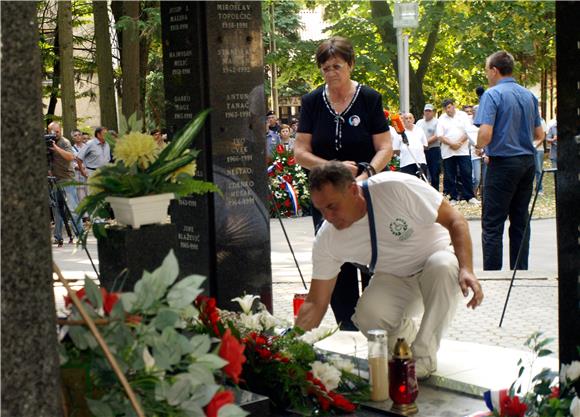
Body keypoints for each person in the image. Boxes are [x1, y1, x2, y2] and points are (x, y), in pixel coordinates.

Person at [295, 161, 483, 379]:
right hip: (395, 278)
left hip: (437, 263)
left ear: (353, 190)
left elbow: (455, 220)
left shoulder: (395, 186)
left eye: (332, 206)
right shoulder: (327, 238)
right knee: (367, 315)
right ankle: (409, 340)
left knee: (442, 266)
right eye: (320, 209)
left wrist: (467, 269)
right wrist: (291, 347)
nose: (327, 217)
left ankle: (423, 359)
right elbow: (315, 302)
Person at [294, 36, 392, 330]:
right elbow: (299, 151)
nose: (332, 72)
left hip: (364, 192)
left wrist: (365, 176)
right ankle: (347, 329)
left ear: (350, 65)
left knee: (372, 260)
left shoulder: (369, 99)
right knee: (336, 259)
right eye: (326, 68)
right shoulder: (312, 102)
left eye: (337, 66)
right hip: (327, 195)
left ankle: (377, 326)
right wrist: (331, 167)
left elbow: (385, 147)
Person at [474, 51, 544, 271]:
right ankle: (519, 271)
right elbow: (539, 134)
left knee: (493, 223)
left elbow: (485, 133)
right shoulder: (528, 95)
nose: (487, 75)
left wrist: (478, 147)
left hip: (503, 162)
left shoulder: (492, 95)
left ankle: (494, 275)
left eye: (487, 71)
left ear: (494, 70)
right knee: (520, 220)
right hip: (526, 161)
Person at [436, 99, 478, 205]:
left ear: (454, 106)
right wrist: (451, 144)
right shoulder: (442, 118)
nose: (448, 110)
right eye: (445, 108)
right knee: (450, 175)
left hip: (463, 150)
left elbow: (468, 131)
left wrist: (458, 143)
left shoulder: (463, 115)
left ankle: (469, 196)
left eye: (449, 107)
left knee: (466, 172)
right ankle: (453, 197)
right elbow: (440, 135)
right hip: (448, 151)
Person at [47, 122, 83, 246]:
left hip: (67, 180)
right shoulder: (47, 142)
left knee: (73, 208)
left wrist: (56, 148)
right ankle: (57, 237)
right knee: (57, 209)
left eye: (58, 131)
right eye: (54, 132)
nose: (56, 134)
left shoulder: (64, 142)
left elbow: (70, 157)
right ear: (49, 131)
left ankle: (80, 234)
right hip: (54, 180)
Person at [393, 112, 428, 179]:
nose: (408, 120)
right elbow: (396, 150)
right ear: (403, 120)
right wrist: (405, 153)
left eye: (410, 118)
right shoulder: (399, 132)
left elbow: (425, 145)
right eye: (406, 118)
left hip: (420, 161)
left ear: (413, 119)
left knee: (422, 184)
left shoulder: (419, 130)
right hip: (406, 163)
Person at [416, 104, 440, 190]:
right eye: (426, 111)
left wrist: (424, 143)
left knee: (435, 172)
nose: (428, 112)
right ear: (423, 112)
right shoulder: (419, 122)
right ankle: (424, 191)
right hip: (421, 151)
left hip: (434, 150)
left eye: (429, 111)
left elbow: (437, 135)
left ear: (433, 112)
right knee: (422, 172)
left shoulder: (437, 122)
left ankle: (435, 191)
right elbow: (415, 135)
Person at [70, 129, 88, 204]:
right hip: (78, 176)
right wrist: (79, 167)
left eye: (79, 135)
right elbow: (71, 163)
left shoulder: (87, 147)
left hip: (88, 175)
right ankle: (85, 215)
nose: (77, 137)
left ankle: (95, 215)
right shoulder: (71, 149)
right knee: (81, 198)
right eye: (75, 135)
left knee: (91, 196)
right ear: (72, 138)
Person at [533, 110, 548, 194]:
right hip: (529, 149)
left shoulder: (541, 121)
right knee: (529, 170)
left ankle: (539, 188)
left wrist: (535, 145)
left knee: (538, 170)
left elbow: (543, 136)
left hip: (539, 150)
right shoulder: (528, 119)